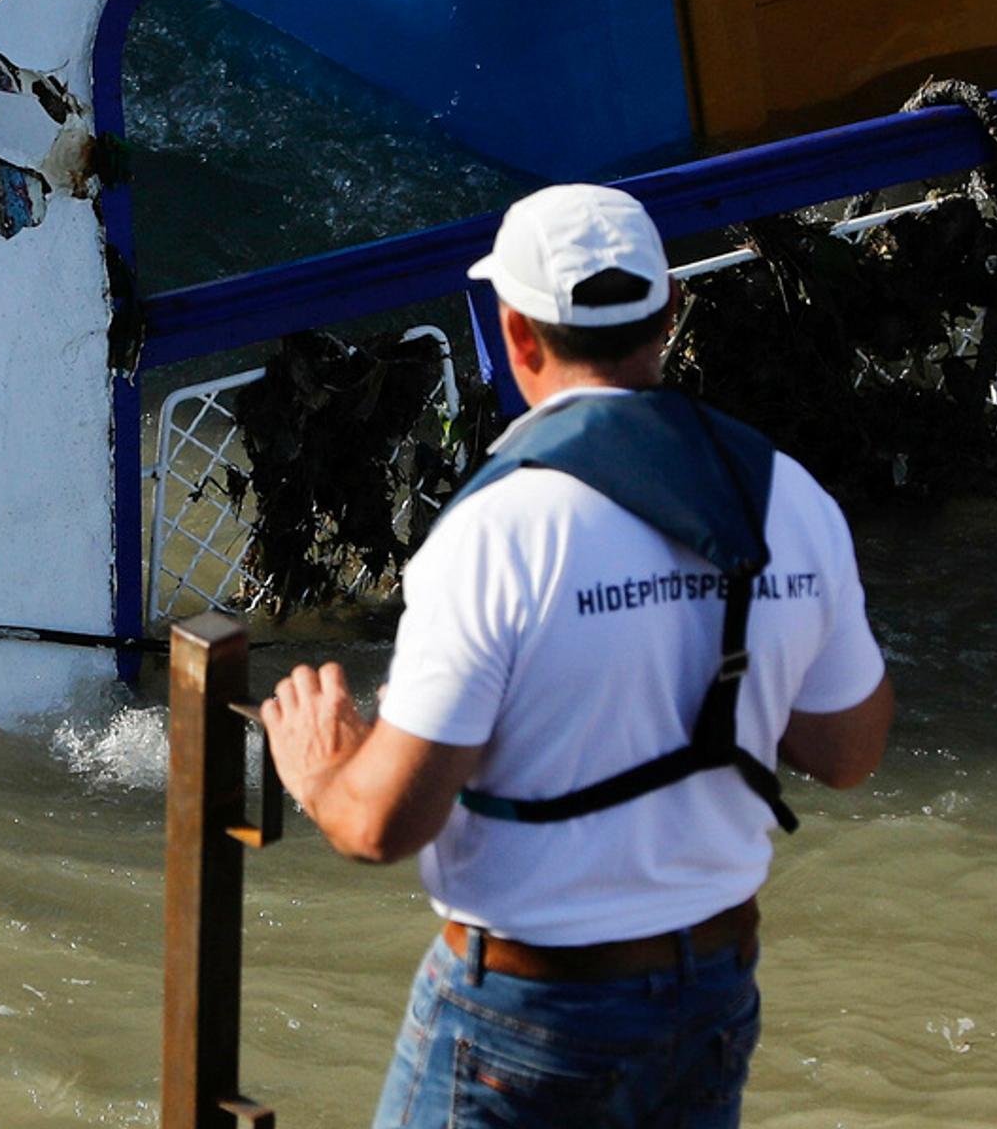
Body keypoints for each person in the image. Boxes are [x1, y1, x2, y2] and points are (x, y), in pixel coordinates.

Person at [259, 184, 894, 1129]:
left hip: (529, 1017)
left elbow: (380, 826)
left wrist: (319, 767)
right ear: (668, 313)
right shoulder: (784, 494)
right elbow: (847, 753)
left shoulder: (494, 534)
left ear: (517, 334)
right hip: (713, 995)